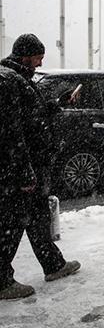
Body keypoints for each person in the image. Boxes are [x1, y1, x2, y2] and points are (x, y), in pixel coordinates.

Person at [0, 34, 81, 300]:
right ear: (24, 56)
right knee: (12, 222)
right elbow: (13, 132)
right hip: (20, 167)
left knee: (36, 218)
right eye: (37, 57)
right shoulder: (10, 81)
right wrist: (24, 172)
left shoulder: (19, 78)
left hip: (28, 164)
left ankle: (53, 265)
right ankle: (1, 281)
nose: (40, 61)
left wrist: (58, 104)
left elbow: (31, 115)